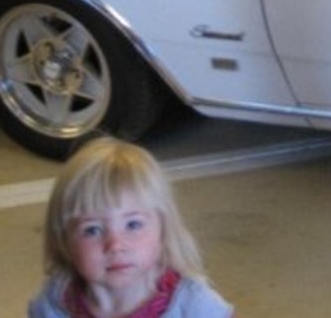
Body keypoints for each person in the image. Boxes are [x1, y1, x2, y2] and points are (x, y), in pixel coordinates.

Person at [29, 136, 234, 317]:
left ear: (163, 229)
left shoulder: (193, 304)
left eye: (133, 224)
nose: (115, 245)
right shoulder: (54, 303)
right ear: (63, 241)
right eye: (92, 230)